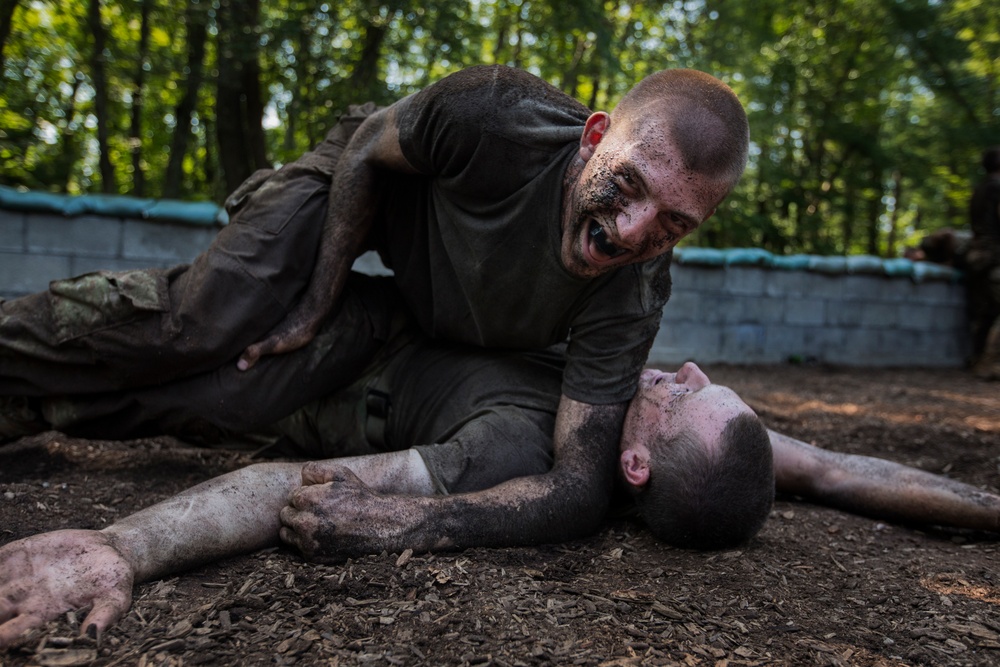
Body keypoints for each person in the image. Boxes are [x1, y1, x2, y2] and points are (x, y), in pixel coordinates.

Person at [0, 65, 751, 553]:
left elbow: (581, 480)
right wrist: (318, 300)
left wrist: (408, 521)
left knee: (235, 388)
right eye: (630, 185)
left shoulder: (634, 292)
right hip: (345, 192)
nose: (632, 230)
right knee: (200, 321)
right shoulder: (497, 117)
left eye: (673, 224)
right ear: (594, 140)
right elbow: (365, 150)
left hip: (405, 321)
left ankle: (26, 407)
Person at [2, 339, 997, 649]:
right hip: (388, 322)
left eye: (686, 395)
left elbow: (294, 487)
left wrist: (126, 542)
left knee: (124, 389)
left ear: (637, 469)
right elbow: (848, 472)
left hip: (319, 387)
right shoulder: (701, 449)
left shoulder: (521, 454)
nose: (684, 368)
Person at [966, 146, 1000, 380]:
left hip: (978, 255)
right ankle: (990, 363)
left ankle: (978, 359)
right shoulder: (998, 187)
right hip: (995, 255)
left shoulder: (980, 188)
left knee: (986, 311)